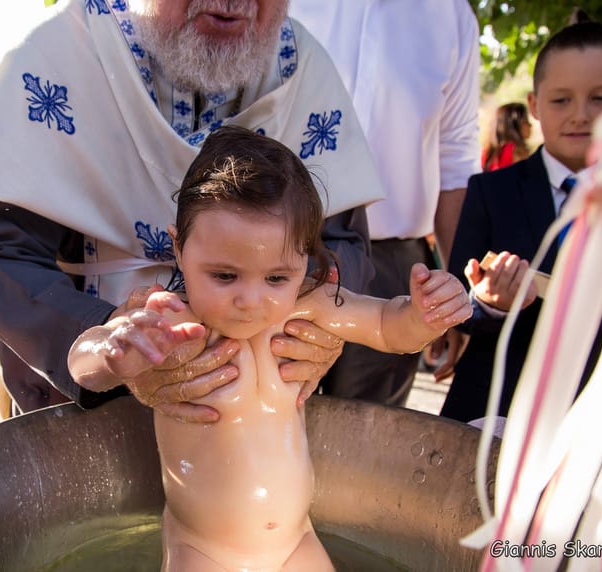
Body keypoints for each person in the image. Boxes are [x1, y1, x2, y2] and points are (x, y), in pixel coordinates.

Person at [0, 0, 387, 420]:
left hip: (253, 409)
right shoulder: (54, 56)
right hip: (81, 412)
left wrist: (314, 328)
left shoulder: (303, 64)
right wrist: (111, 344)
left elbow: (343, 241)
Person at [68, 126, 473, 571]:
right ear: (180, 249)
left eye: (277, 277)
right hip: (201, 549)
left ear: (305, 258)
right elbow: (83, 364)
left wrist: (424, 313)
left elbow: (387, 327)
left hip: (295, 544)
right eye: (224, 276)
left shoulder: (307, 309)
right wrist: (111, 348)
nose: (251, 300)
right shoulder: (172, 324)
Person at [439, 15, 602, 422]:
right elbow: (459, 298)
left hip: (600, 413)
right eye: (562, 100)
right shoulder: (491, 191)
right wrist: (490, 304)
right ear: (534, 105)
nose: (580, 115)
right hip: (496, 402)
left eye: (600, 99)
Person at [288, 0, 481, 406]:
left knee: (368, 441)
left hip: (395, 268)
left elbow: (456, 159)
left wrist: (460, 292)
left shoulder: (450, 16)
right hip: (274, 255)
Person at [481, 102, 533, 171]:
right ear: (514, 125)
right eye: (525, 121)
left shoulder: (488, 152)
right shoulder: (519, 151)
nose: (530, 125)